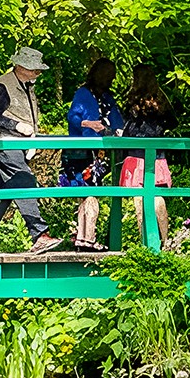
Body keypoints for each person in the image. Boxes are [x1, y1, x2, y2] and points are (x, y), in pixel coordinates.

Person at [0, 47, 63, 254]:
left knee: (2, 191)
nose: (38, 73)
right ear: (21, 66)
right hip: (4, 142)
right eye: (34, 69)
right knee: (24, 179)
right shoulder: (4, 85)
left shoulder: (26, 85)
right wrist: (16, 126)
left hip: (16, 143)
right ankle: (39, 234)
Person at [62, 57, 125, 251]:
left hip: (98, 154)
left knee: (89, 194)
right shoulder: (83, 93)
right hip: (80, 153)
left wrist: (116, 131)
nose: (110, 80)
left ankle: (83, 239)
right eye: (108, 76)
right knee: (89, 193)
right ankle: (87, 239)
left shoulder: (107, 97)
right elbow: (72, 117)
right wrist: (88, 124)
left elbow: (117, 121)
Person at [121, 64, 178, 244]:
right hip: (157, 156)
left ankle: (145, 242)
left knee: (139, 198)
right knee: (157, 196)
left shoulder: (133, 101)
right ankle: (165, 239)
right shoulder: (160, 100)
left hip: (136, 155)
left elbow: (127, 127)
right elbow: (173, 122)